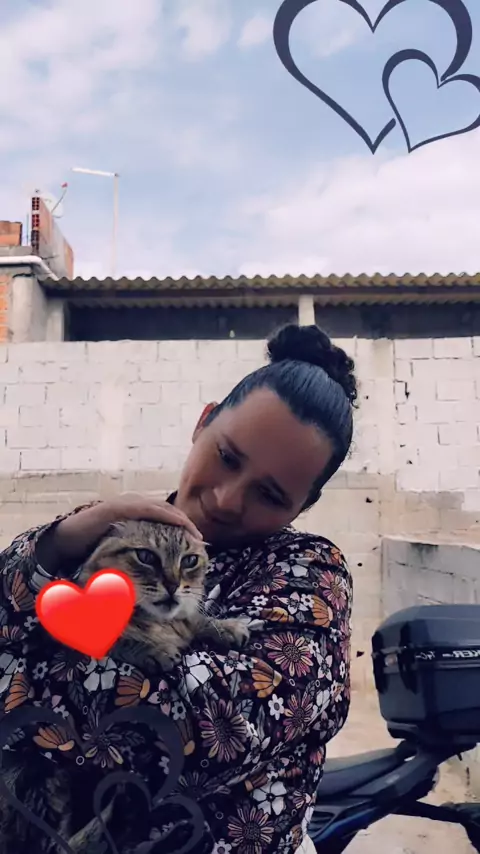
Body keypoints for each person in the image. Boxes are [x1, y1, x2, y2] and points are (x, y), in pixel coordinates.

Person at [0, 323, 356, 854]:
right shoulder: (107, 527)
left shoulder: (311, 574)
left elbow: (198, 728)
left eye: (270, 494)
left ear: (304, 506)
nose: (227, 499)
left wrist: (22, 668)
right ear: (202, 422)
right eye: (228, 457)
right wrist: (59, 540)